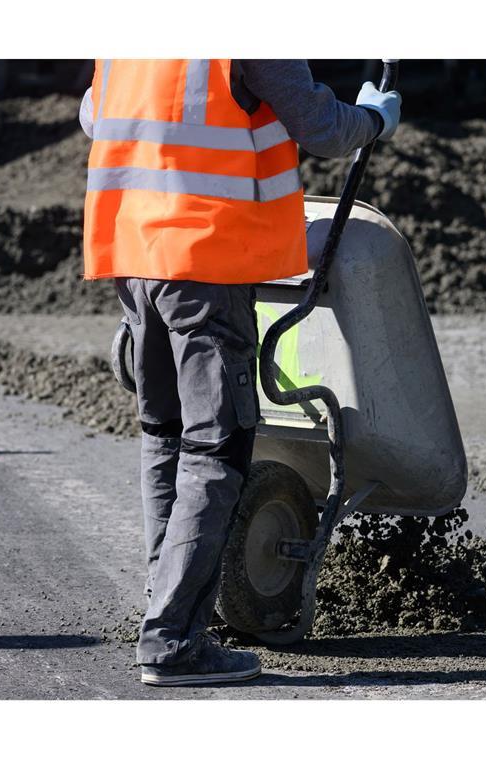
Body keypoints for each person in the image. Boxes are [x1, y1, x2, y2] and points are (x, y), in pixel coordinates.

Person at [79, 59, 400, 686]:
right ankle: (173, 641)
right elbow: (321, 127)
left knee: (166, 436)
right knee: (215, 450)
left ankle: (166, 603)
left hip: (134, 253)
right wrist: (374, 119)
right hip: (205, 257)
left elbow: (95, 115)